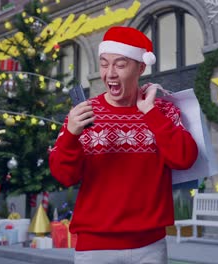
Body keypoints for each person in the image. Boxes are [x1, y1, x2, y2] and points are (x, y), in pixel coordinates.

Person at [49, 26, 198, 264]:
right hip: (94, 248)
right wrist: (70, 135)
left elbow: (184, 158)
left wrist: (150, 112)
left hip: (150, 245)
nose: (110, 73)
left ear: (141, 67)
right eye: (104, 64)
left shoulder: (163, 111)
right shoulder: (83, 114)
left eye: (120, 65)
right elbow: (65, 176)